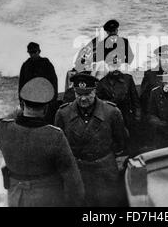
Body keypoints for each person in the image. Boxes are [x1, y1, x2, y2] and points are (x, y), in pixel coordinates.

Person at [0, 77, 84, 207]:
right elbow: (72, 178)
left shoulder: (3, 129)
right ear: (46, 108)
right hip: (47, 200)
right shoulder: (55, 135)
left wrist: (18, 111)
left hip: (16, 198)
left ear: (23, 105)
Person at [54, 73, 127, 207]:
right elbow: (59, 146)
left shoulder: (112, 112)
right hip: (78, 172)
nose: (82, 98)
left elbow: (121, 141)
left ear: (95, 91)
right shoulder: (63, 114)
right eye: (78, 94)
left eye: (87, 94)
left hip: (105, 172)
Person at [96, 56, 141, 155]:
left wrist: (137, 118)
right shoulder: (102, 84)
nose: (115, 68)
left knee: (133, 146)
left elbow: (135, 100)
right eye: (112, 65)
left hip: (128, 117)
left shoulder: (128, 79)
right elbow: (100, 107)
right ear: (107, 65)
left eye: (117, 65)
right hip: (112, 119)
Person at [19, 42, 59, 123]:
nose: (32, 54)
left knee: (47, 120)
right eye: (30, 52)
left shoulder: (46, 64)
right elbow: (21, 84)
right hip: (30, 100)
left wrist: (53, 98)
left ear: (39, 51)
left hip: (45, 98)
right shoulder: (25, 65)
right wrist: (21, 100)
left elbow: (54, 81)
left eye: (34, 52)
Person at [140, 45, 168, 115]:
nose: (166, 60)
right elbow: (144, 98)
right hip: (156, 116)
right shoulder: (149, 74)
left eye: (167, 57)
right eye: (163, 57)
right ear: (157, 58)